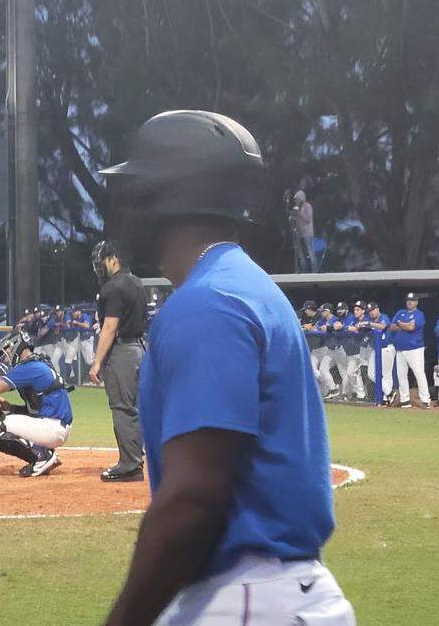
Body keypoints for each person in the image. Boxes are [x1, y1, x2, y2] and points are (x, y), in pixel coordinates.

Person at [99, 110, 354, 626]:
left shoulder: (206, 303)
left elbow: (193, 500)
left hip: (246, 599)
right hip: (275, 594)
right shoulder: (244, 284)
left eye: (138, 191)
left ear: (167, 198)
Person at [89, 240, 149, 483]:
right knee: (135, 408)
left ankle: (129, 465)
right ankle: (136, 456)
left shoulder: (113, 287)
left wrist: (96, 363)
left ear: (113, 259)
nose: (99, 267)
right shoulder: (136, 282)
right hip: (140, 349)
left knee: (122, 408)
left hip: (122, 352)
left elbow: (110, 327)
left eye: (102, 261)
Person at [0, 329, 72, 476]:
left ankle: (42, 457)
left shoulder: (29, 367)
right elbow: (35, 411)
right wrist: (11, 408)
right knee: (5, 419)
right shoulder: (40, 363)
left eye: (7, 352)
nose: (7, 358)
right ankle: (44, 453)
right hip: (56, 427)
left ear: (16, 346)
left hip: (52, 428)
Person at [391, 293, 431, 409]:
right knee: (401, 375)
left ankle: (425, 400)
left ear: (416, 302)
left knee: (419, 373)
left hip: (415, 348)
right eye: (408, 300)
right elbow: (392, 327)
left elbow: (411, 327)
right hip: (400, 349)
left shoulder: (419, 314)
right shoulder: (400, 312)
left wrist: (400, 323)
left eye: (412, 300)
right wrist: (405, 325)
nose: (409, 302)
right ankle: (405, 400)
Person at [365, 302, 395, 405]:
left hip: (387, 348)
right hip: (376, 349)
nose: (371, 313)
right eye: (369, 311)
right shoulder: (370, 320)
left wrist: (369, 324)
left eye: (373, 310)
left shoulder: (384, 317)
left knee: (386, 374)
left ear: (377, 309)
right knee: (371, 373)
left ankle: (387, 398)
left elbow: (382, 326)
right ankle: (390, 392)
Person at [342, 301, 370, 401]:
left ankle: (366, 395)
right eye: (354, 309)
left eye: (358, 310)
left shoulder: (367, 319)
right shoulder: (355, 320)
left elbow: (361, 330)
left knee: (369, 374)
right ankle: (360, 393)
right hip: (360, 350)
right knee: (351, 373)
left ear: (363, 311)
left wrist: (355, 329)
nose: (355, 311)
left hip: (370, 349)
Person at [315, 303, 341, 399]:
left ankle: (350, 394)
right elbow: (314, 327)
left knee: (346, 373)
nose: (321, 313)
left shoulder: (336, 319)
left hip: (340, 350)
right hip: (330, 350)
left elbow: (338, 326)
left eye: (323, 311)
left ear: (328, 311)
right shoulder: (322, 321)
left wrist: (328, 327)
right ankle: (333, 389)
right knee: (323, 369)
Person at [65, 306, 96, 379]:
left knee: (90, 361)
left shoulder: (85, 316)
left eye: (74, 312)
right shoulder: (74, 318)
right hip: (81, 339)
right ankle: (81, 377)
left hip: (88, 339)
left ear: (79, 312)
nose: (73, 313)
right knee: (84, 361)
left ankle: (99, 374)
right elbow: (69, 326)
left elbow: (87, 325)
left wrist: (77, 323)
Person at [292, 190, 317, 273]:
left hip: (308, 233)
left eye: (297, 199)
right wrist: (293, 215)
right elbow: (295, 220)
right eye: (295, 199)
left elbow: (308, 219)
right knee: (301, 254)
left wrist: (300, 213)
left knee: (310, 252)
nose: (296, 201)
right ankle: (303, 270)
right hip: (299, 233)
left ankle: (314, 271)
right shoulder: (296, 208)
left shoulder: (307, 206)